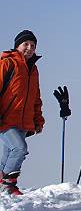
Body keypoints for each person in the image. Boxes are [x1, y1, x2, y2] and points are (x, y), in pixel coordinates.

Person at [0, 30, 44, 196]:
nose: (29, 48)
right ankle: (8, 185)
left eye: (32, 45)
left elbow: (35, 97)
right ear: (17, 45)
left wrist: (38, 120)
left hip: (23, 121)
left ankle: (1, 182)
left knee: (9, 153)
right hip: (5, 119)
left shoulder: (33, 69)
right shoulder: (7, 64)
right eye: (25, 44)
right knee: (19, 148)